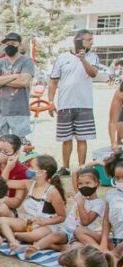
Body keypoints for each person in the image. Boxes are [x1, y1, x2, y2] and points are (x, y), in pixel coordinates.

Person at [49, 29, 100, 176]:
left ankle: (82, 167)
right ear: (78, 40)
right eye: (88, 39)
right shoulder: (62, 57)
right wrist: (51, 101)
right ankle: (65, 167)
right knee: (66, 138)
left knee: (82, 138)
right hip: (65, 104)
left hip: (84, 104)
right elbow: (53, 81)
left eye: (92, 39)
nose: (92, 42)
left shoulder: (93, 57)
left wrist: (83, 59)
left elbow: (93, 74)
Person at [0, 155, 67, 255]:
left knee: (32, 236)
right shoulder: (29, 184)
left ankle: (14, 236)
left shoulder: (52, 192)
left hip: (46, 225)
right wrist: (8, 166)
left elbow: (62, 216)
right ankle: (14, 243)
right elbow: (4, 183)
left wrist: (43, 222)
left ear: (42, 172)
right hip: (28, 222)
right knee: (1, 220)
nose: (28, 169)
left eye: (32, 167)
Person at [0, 32, 36, 142]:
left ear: (19, 45)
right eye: (7, 43)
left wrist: (1, 81)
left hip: (19, 109)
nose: (10, 45)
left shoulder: (27, 61)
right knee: (0, 143)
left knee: (21, 144)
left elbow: (24, 81)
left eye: (13, 43)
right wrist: (15, 76)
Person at [109, 82, 123, 149]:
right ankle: (118, 142)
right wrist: (113, 143)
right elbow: (112, 121)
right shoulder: (120, 93)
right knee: (121, 131)